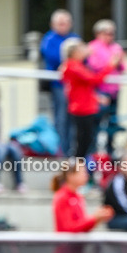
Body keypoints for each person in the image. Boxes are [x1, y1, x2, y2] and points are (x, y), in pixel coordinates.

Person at [60, 39, 121, 164]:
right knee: (83, 142)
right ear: (74, 52)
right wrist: (110, 66)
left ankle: (81, 169)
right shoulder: (73, 66)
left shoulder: (75, 66)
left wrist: (96, 98)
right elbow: (94, 79)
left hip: (85, 107)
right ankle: (78, 169)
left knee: (85, 141)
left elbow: (84, 87)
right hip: (82, 109)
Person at [40, 9, 78, 155]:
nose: (63, 26)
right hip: (59, 85)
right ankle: (61, 150)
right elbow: (55, 58)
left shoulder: (74, 37)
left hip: (74, 86)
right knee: (61, 118)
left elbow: (83, 57)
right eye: (60, 23)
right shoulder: (49, 40)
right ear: (53, 24)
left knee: (73, 119)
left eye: (65, 23)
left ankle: (71, 149)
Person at [87, 20, 126, 157]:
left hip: (114, 91)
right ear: (98, 33)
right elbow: (94, 69)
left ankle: (110, 151)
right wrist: (111, 64)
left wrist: (119, 62)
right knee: (97, 122)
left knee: (112, 122)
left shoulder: (117, 47)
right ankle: (94, 151)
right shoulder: (92, 48)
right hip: (100, 90)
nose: (110, 36)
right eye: (107, 33)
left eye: (112, 34)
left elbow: (122, 68)